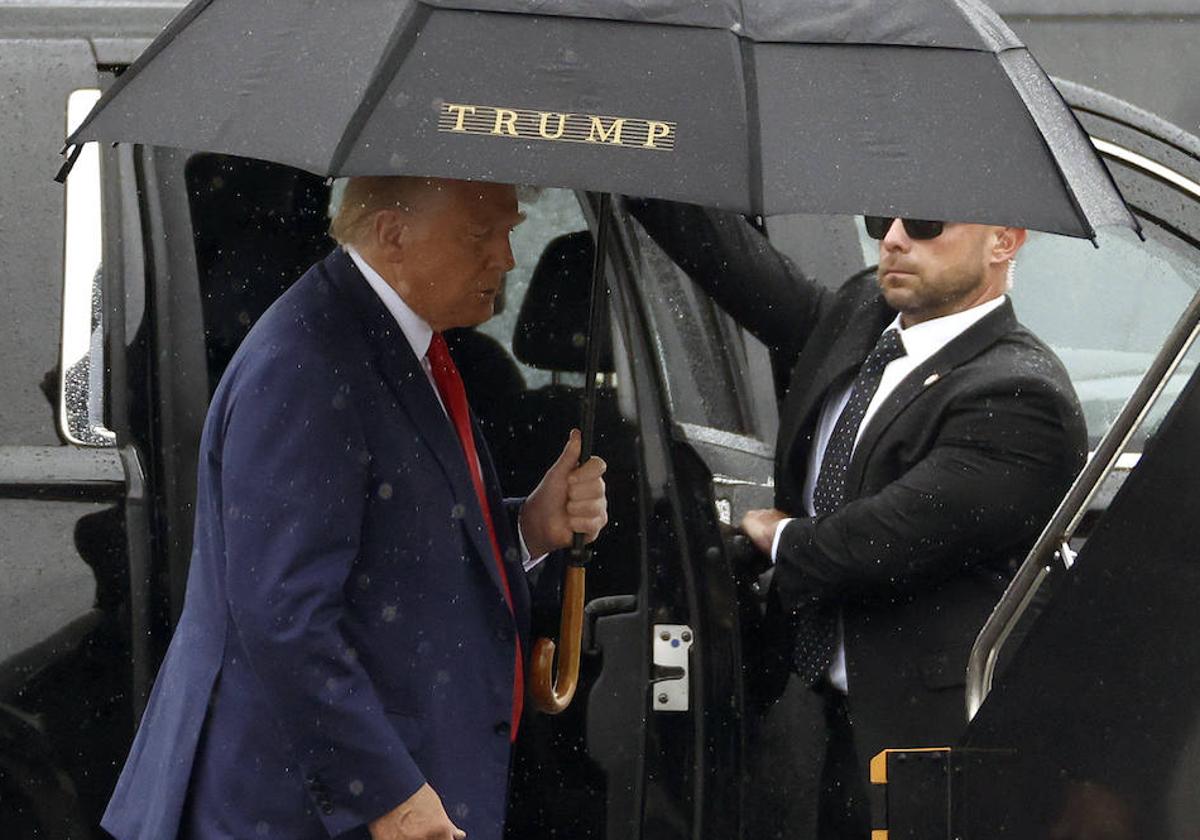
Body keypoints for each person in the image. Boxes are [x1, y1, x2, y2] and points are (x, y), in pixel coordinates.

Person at [102, 177, 608, 840]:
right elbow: (285, 616)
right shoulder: (308, 362)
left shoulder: (398, 344)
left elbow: (401, 552)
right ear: (394, 235)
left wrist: (529, 528)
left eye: (510, 232)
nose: (507, 259)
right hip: (296, 810)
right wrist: (389, 795)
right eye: (482, 234)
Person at [628, 199, 1087, 838]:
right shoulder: (860, 318)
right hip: (819, 718)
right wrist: (634, 154)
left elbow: (875, 543)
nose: (895, 240)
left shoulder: (1018, 395)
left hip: (933, 746)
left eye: (926, 224)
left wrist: (775, 533)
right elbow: (731, 263)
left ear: (1004, 241)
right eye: (883, 222)